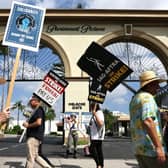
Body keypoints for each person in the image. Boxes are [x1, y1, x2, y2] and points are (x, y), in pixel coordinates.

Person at [129, 70, 168, 168]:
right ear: (149, 85)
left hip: (139, 149)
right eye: (156, 84)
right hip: (151, 149)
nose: (158, 88)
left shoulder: (135, 99)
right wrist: (159, 147)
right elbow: (148, 121)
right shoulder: (148, 98)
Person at [23, 95, 52, 168]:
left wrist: (28, 125)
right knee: (35, 156)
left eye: (32, 100)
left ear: (36, 102)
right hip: (35, 137)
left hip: (33, 137)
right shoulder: (36, 110)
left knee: (30, 157)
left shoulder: (38, 110)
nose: (30, 101)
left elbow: (38, 122)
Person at [89, 102, 105, 168]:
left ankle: (99, 165)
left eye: (90, 106)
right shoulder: (96, 114)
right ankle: (100, 165)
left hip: (97, 136)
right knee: (99, 151)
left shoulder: (99, 113)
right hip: (95, 136)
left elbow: (101, 123)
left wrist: (94, 113)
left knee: (92, 150)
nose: (89, 108)